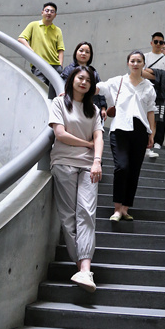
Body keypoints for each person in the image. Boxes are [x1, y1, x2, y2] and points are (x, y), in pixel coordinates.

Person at [49, 66, 103, 293]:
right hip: (64, 163)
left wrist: (97, 160)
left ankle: (85, 269)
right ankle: (82, 268)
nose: (83, 82)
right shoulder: (59, 103)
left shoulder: (93, 110)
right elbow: (60, 134)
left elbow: (99, 137)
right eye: (80, 78)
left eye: (88, 80)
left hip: (89, 166)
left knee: (87, 213)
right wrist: (86, 143)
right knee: (69, 216)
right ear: (72, 79)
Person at [99, 50, 157, 222]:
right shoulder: (118, 81)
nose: (135, 64)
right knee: (122, 167)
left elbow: (150, 111)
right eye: (132, 61)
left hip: (140, 131)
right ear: (128, 63)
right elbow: (100, 87)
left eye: (139, 61)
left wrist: (151, 133)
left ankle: (125, 208)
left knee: (134, 170)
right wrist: (73, 91)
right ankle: (117, 208)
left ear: (144, 64)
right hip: (120, 129)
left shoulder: (148, 87)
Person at [18, 2, 64, 100]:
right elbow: (21, 38)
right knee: (39, 93)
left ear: (55, 15)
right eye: (47, 10)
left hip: (55, 66)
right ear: (42, 12)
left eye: (52, 11)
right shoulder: (33, 25)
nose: (49, 13)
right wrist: (32, 52)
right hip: (39, 64)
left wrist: (60, 65)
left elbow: (60, 49)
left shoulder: (57, 30)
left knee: (55, 96)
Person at [144, 32, 165, 154]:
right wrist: (160, 75)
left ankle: (149, 145)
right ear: (151, 43)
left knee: (154, 121)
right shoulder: (145, 56)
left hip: (159, 93)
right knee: (143, 118)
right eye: (156, 41)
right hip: (144, 91)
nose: (158, 44)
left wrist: (151, 71)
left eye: (160, 42)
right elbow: (141, 72)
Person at [61, 41, 107, 120]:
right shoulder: (68, 70)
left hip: (92, 107)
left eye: (87, 52)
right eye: (81, 51)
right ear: (76, 52)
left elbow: (100, 89)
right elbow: (64, 86)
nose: (83, 54)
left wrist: (103, 108)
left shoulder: (93, 72)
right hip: (73, 107)